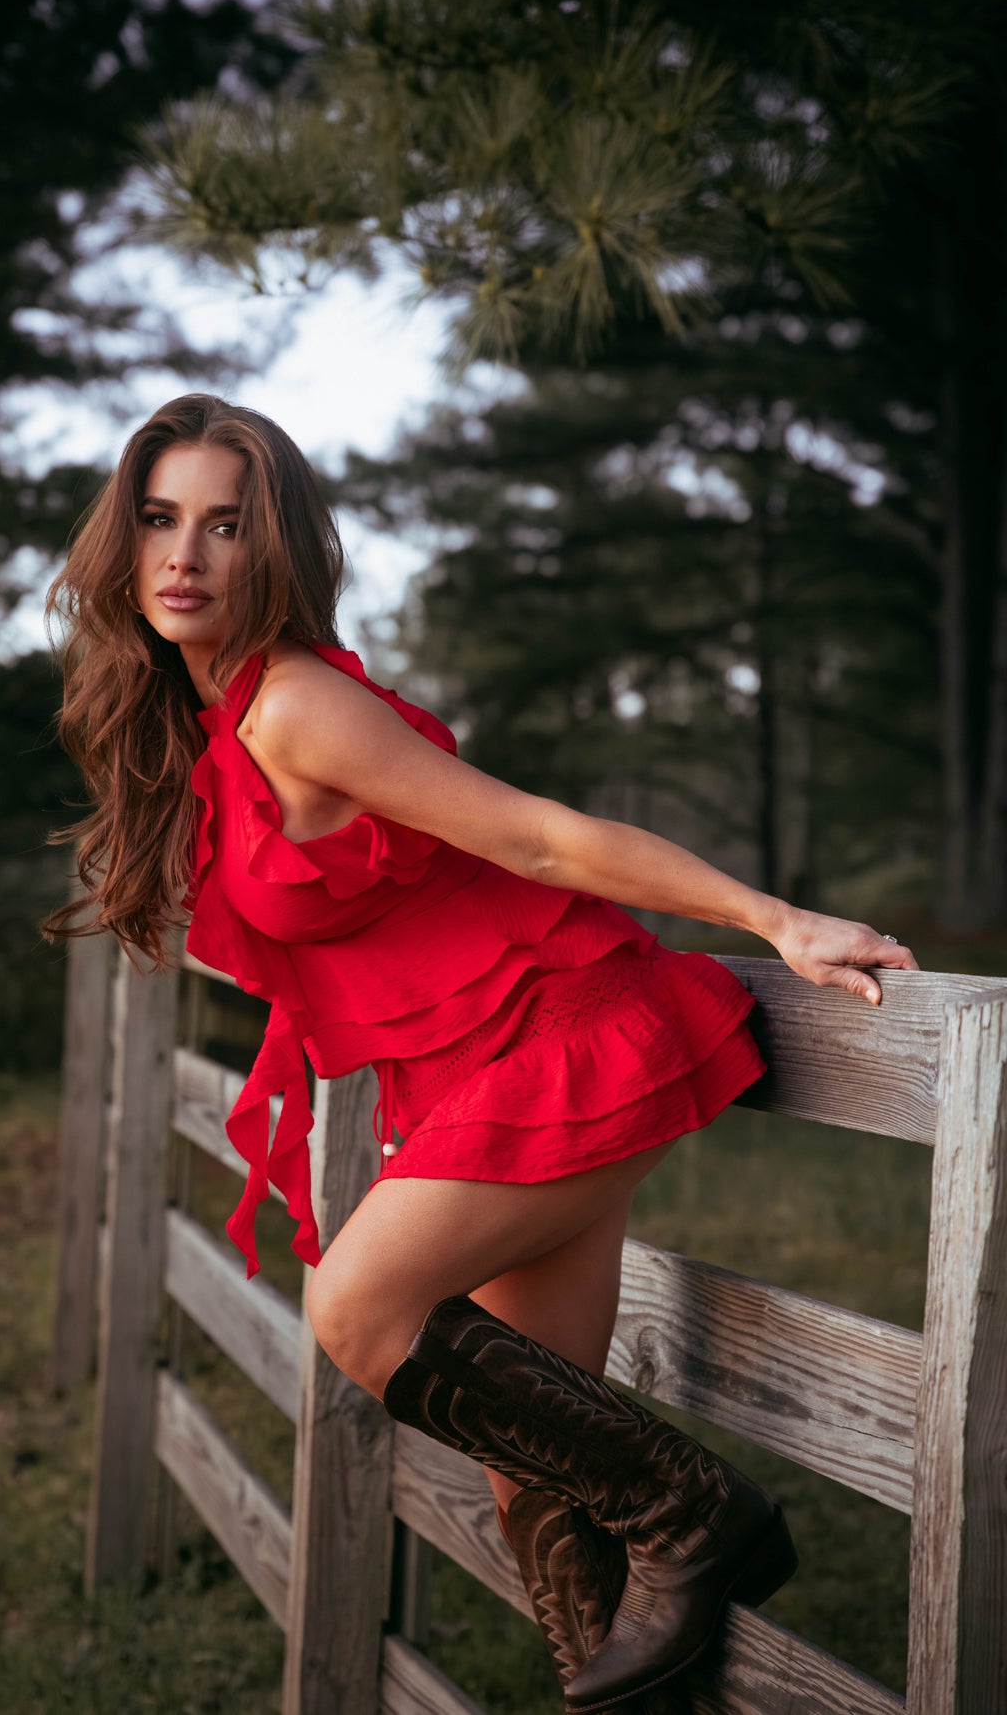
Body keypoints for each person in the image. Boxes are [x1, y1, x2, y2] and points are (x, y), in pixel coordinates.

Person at [45, 393, 918, 1711]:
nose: (188, 556)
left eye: (227, 525)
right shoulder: (210, 725)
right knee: (535, 1482)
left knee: (357, 1309)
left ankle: (696, 1514)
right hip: (479, 1067)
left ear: (271, 545)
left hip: (571, 1031)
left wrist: (771, 918)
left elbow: (540, 838)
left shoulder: (291, 707)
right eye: (162, 520)